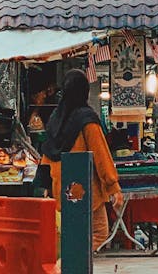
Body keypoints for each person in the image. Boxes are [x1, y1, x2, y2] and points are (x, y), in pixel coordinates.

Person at [41, 69, 124, 253]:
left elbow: (47, 153)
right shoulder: (87, 119)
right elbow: (101, 154)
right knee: (98, 235)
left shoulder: (56, 118)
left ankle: (71, 263)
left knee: (70, 235)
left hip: (60, 191)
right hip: (86, 191)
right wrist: (113, 187)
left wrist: (45, 186)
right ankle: (78, 265)